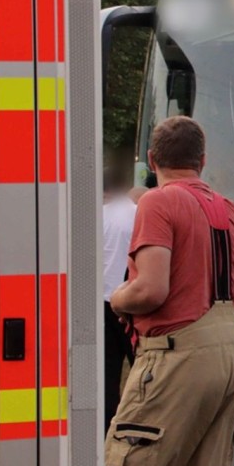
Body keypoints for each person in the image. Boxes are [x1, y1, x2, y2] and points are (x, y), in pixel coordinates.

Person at [105, 116, 234, 466]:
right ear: (203, 161)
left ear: (152, 161)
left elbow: (150, 289)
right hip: (228, 352)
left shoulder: (158, 202)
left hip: (177, 353)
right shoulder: (230, 211)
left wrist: (116, 297)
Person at [101, 169, 139, 433]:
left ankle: (107, 434)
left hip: (101, 304)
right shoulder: (135, 214)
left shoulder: (93, 216)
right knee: (143, 370)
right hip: (132, 303)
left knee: (107, 377)